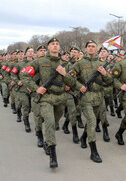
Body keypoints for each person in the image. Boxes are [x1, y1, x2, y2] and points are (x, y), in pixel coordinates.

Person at [22, 38, 75, 168]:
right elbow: (24, 75)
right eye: (53, 44)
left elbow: (73, 82)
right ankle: (53, 155)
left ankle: (47, 139)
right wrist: (36, 88)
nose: (55, 46)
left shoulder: (66, 64)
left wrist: (64, 74)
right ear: (48, 47)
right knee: (50, 123)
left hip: (61, 99)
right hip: (46, 98)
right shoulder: (39, 62)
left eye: (57, 44)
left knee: (55, 122)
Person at [72, 40, 112, 163]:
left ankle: (84, 137)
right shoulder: (79, 63)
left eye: (93, 47)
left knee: (92, 122)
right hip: (86, 97)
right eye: (88, 46)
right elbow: (70, 78)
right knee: (92, 121)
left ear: (96, 49)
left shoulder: (102, 64)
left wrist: (105, 74)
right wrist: (79, 86)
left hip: (99, 97)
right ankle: (93, 151)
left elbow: (110, 80)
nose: (91, 48)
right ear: (85, 49)